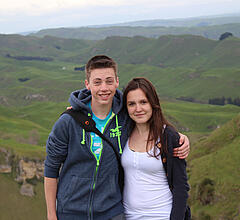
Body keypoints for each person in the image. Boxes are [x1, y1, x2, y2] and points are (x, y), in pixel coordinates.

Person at [44, 55, 190, 220]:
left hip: (112, 212)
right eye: (97, 82)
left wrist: (179, 137)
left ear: (117, 82)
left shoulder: (125, 118)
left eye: (109, 81)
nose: (104, 88)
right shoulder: (68, 122)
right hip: (71, 212)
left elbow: (148, 122)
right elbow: (51, 168)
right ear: (87, 84)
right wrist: (51, 214)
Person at [121, 77, 190, 220]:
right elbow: (102, 99)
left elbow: (181, 187)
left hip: (162, 215)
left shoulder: (168, 137)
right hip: (128, 216)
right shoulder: (122, 134)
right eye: (131, 104)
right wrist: (78, 107)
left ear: (153, 103)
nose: (138, 109)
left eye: (143, 102)